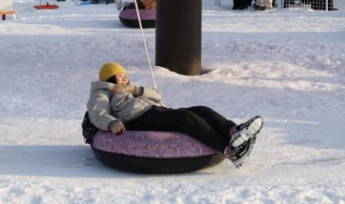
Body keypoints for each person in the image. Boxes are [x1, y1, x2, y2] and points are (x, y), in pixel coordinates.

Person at [87, 62, 264, 168]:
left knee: (200, 110)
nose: (124, 78)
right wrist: (111, 124)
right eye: (119, 76)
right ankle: (230, 151)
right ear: (109, 79)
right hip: (136, 119)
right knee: (186, 119)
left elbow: (157, 96)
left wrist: (134, 89)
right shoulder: (103, 92)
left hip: (154, 111)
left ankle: (234, 132)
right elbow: (97, 112)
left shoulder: (130, 89)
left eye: (125, 75)